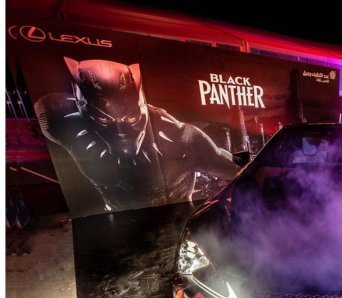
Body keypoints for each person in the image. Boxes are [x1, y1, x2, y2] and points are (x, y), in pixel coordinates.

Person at [34, 57, 238, 212]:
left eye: (131, 118)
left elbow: (234, 168)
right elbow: (47, 108)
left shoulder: (183, 138)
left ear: (143, 107)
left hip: (177, 222)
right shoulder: (58, 119)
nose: (120, 131)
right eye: (104, 120)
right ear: (82, 110)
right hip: (118, 224)